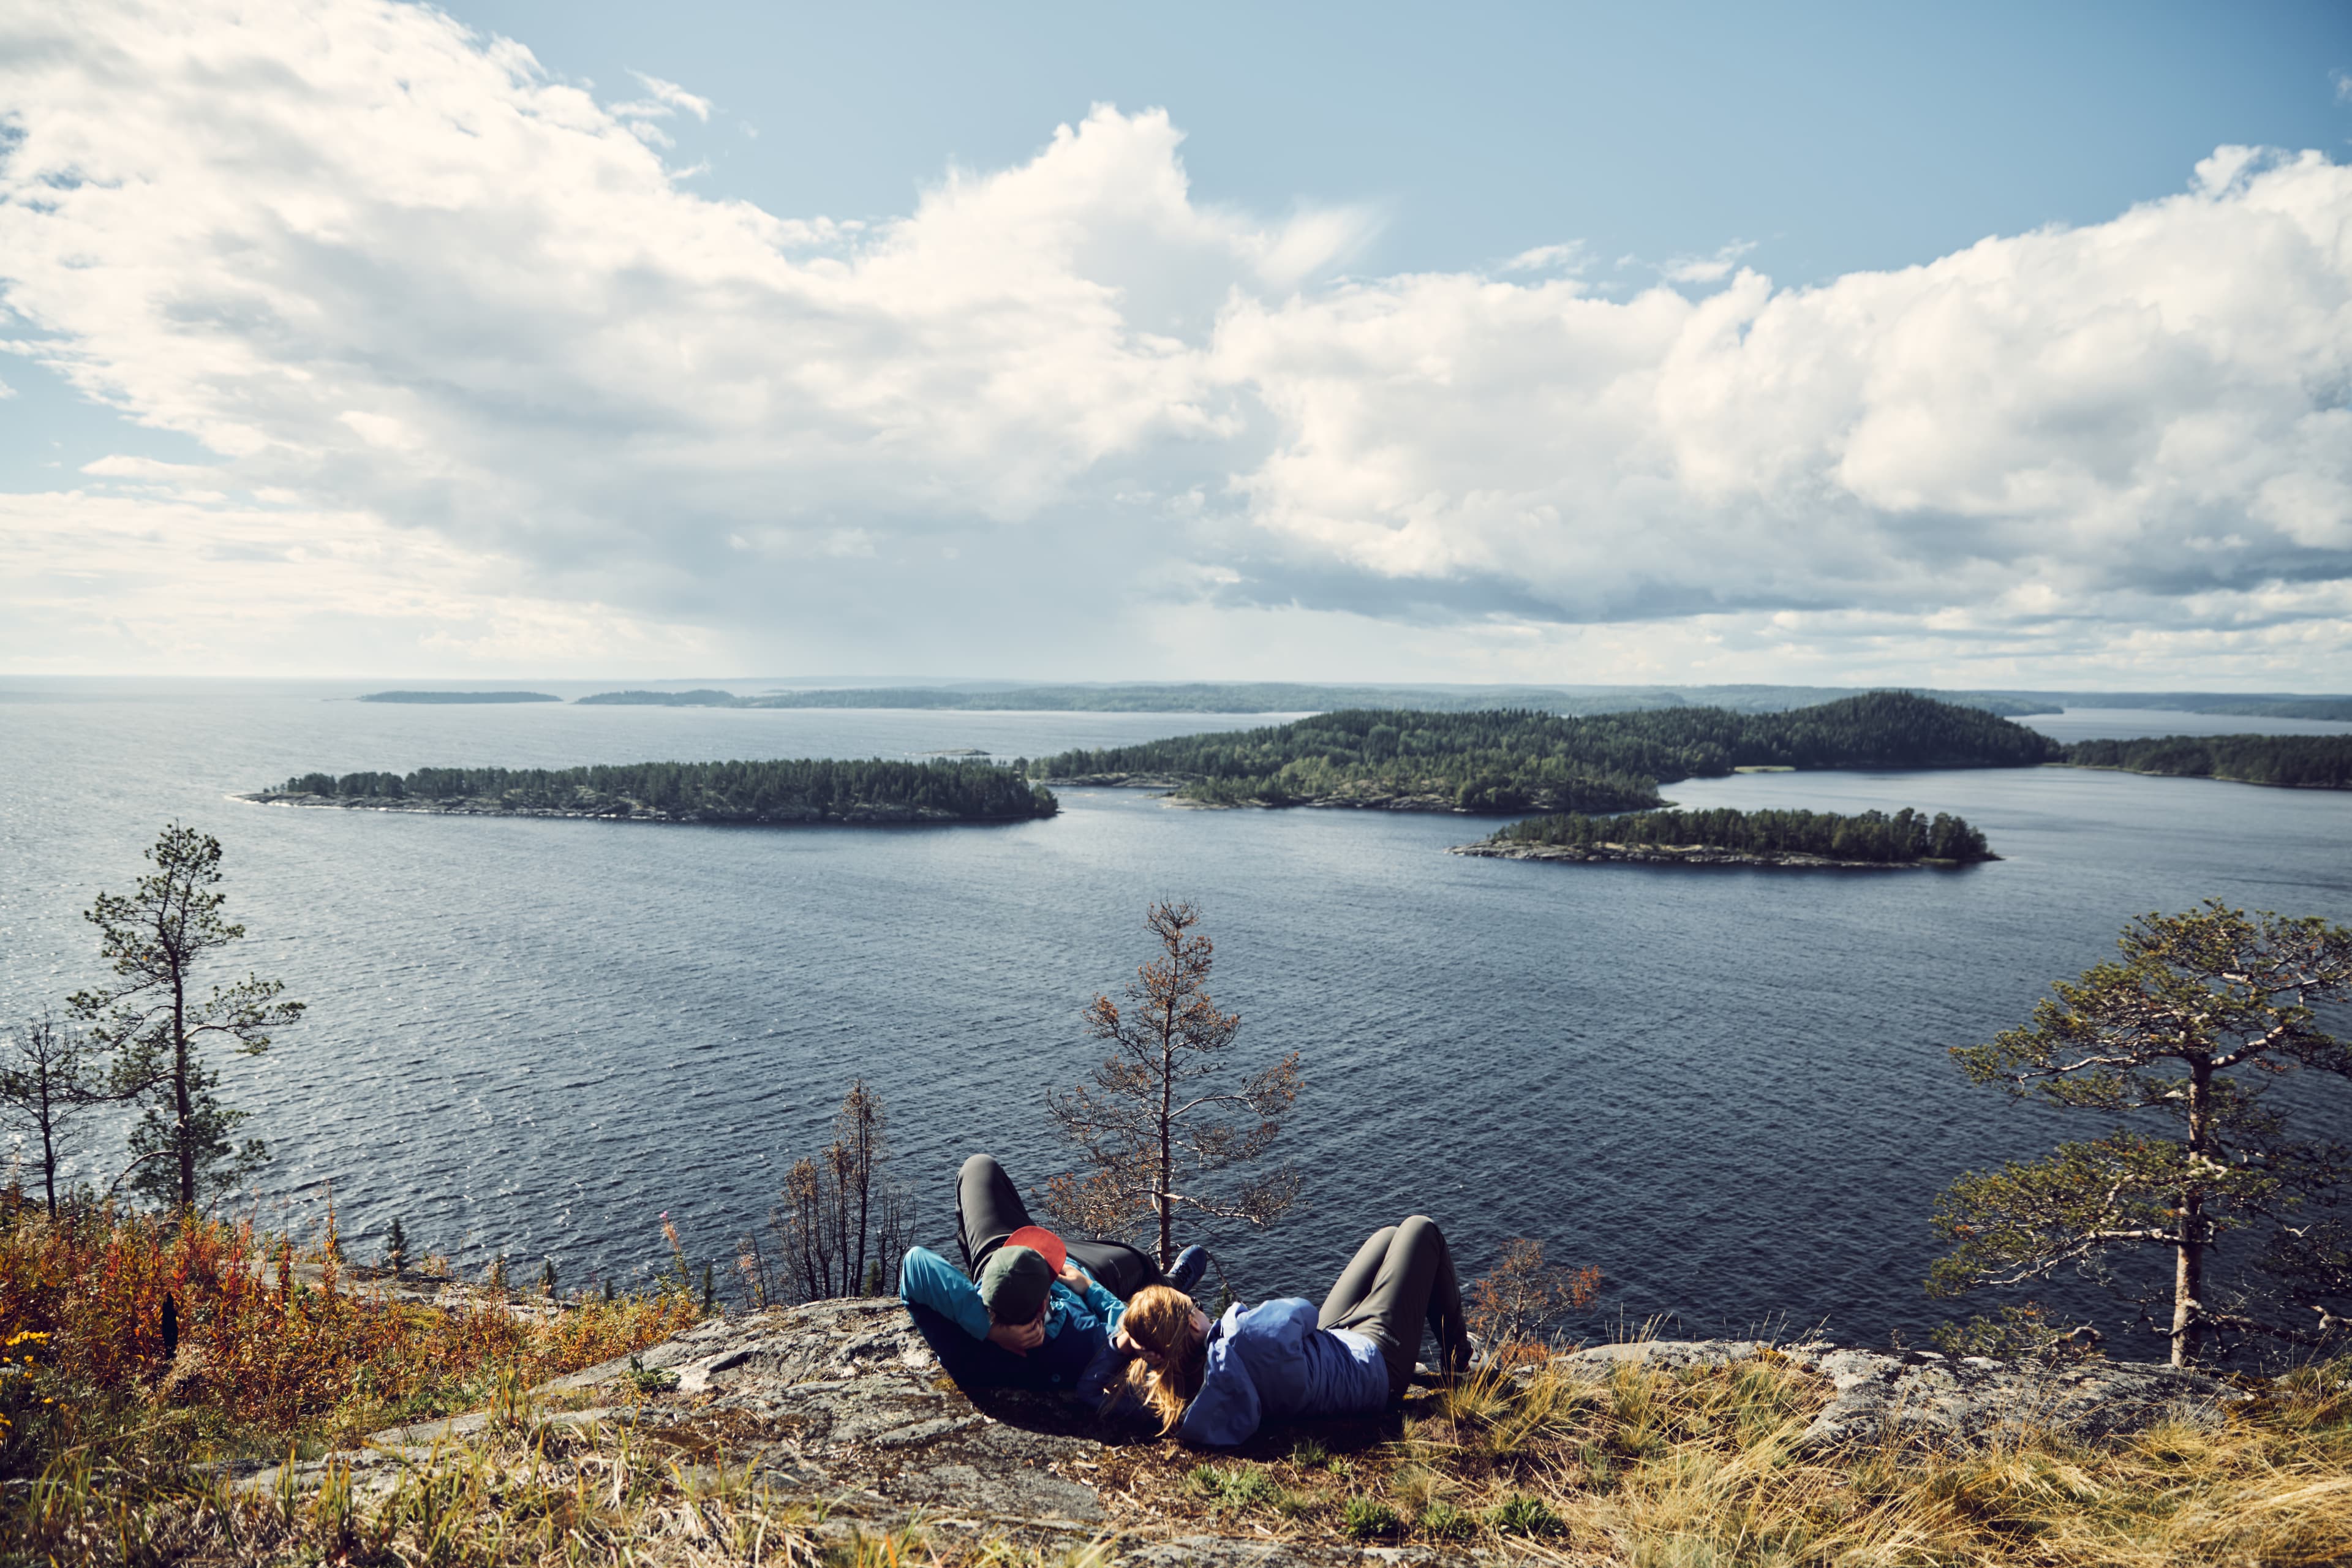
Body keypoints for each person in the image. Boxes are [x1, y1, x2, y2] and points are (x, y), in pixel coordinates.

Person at [1112, 1215, 1473, 1446]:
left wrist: (1126, 1345)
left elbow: (1091, 1389)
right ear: (1193, 1322)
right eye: (1197, 1307)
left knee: (1387, 1237)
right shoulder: (1246, 1335)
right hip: (1374, 1365)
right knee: (1419, 1230)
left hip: (1328, 1352)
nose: (1200, 1309)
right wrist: (1237, 1318)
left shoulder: (1177, 1390)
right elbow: (1305, 1313)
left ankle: (1452, 1351)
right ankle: (1458, 1359)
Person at [899, 1153, 1208, 1398]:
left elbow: (915, 1263)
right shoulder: (1083, 1343)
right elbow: (1130, 1323)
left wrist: (988, 1327)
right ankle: (1168, 1286)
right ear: (1043, 1303)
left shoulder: (961, 1341)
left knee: (978, 1167)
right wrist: (1088, 1287)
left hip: (999, 1264)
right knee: (1137, 1263)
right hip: (1076, 1274)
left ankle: (1010, 1272)